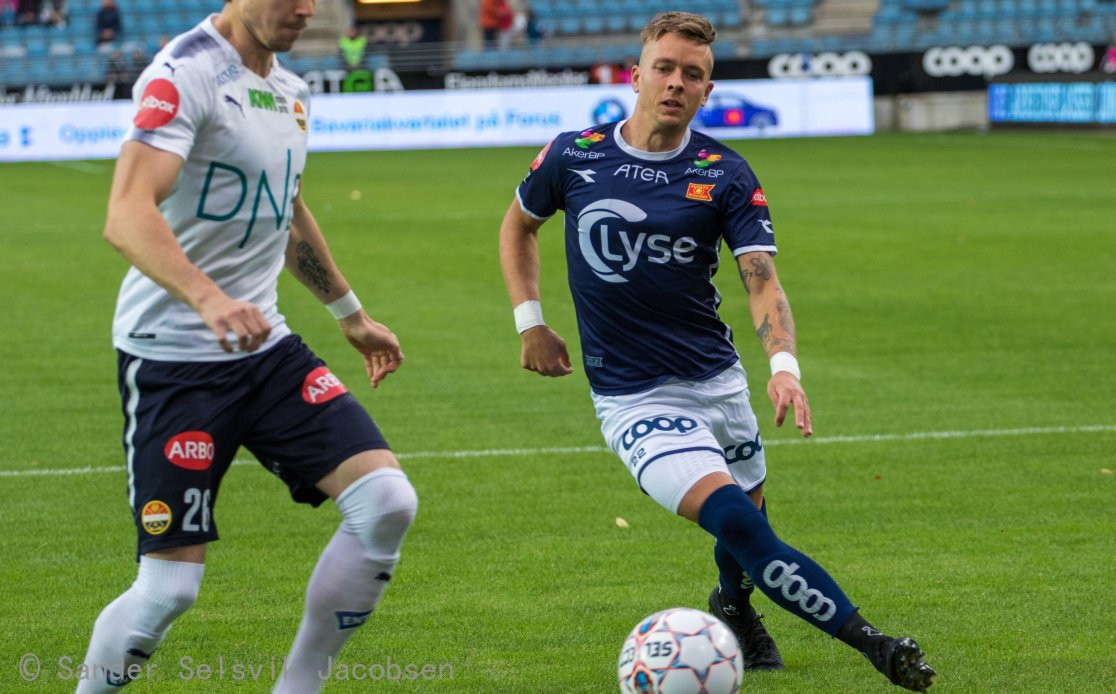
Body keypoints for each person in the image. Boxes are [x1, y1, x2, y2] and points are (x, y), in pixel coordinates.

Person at [498, 11, 935, 692]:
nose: (675, 83)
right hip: (635, 397)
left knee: (748, 521)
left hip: (720, 382)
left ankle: (731, 605)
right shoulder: (573, 155)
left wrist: (783, 369)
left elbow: (761, 280)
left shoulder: (723, 172)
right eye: (665, 69)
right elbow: (517, 225)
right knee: (737, 520)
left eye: (692, 74)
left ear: (708, 89)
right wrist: (531, 322)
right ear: (635, 75)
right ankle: (874, 644)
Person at [76, 1, 418, 692]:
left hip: (266, 351)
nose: (305, 10)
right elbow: (125, 212)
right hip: (175, 360)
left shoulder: (291, 91)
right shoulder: (184, 73)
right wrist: (207, 297)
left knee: (386, 503)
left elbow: (285, 205)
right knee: (168, 590)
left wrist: (349, 315)